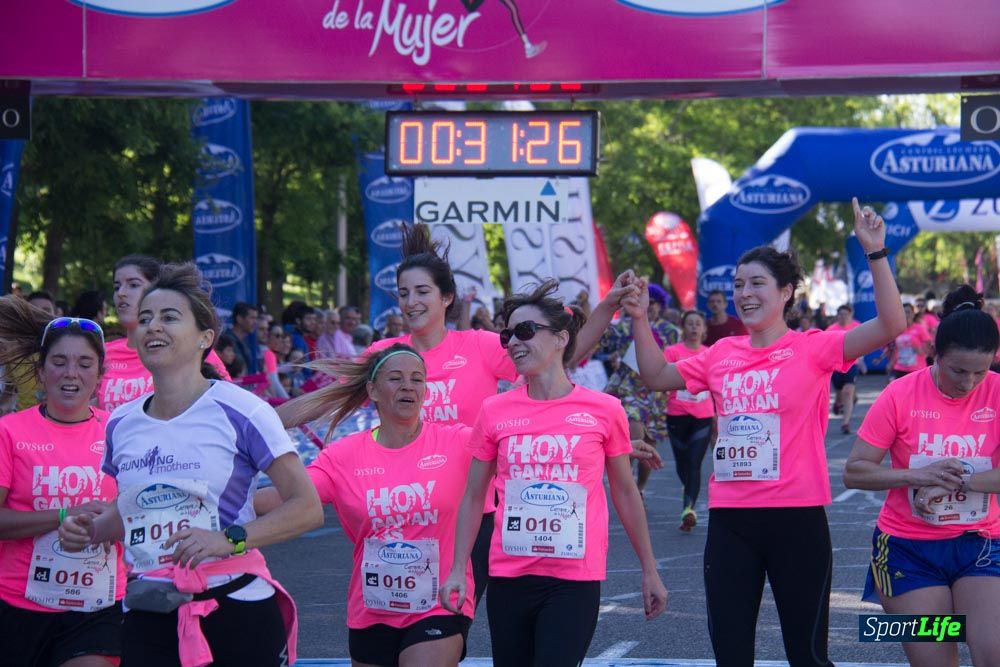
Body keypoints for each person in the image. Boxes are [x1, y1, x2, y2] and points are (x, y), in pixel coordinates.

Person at [280, 224, 650, 611]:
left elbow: (559, 357)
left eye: (422, 292)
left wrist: (606, 308)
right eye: (404, 293)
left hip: (472, 513)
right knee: (412, 624)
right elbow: (328, 399)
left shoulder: (479, 346)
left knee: (450, 622)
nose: (411, 302)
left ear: (447, 298)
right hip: (408, 514)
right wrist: (250, 422)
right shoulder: (386, 353)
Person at [624, 198, 905, 666]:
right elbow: (654, 375)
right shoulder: (720, 354)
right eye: (737, 285)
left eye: (757, 283)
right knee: (732, 654)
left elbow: (891, 325)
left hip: (796, 518)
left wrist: (875, 253)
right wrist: (637, 319)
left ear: (787, 292)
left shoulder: (812, 349)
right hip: (733, 520)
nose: (745, 293)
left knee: (806, 655)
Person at [58, 263, 323, 666]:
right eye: (145, 319)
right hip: (151, 606)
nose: (152, 327)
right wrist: (89, 530)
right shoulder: (121, 422)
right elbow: (129, 513)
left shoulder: (241, 410)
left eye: (168, 317)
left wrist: (227, 539)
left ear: (205, 338)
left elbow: (307, 507)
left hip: (235, 602)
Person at [440, 279, 667, 667]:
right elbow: (475, 496)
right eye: (507, 333)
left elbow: (626, 493)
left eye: (525, 331)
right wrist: (458, 568)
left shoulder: (604, 409)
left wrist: (650, 570)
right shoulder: (494, 410)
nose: (512, 341)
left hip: (573, 580)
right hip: (510, 577)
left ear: (562, 339)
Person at [260, 344, 476, 666]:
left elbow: (510, 448)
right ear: (372, 390)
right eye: (396, 378)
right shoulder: (343, 456)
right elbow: (287, 498)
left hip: (438, 603)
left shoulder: (456, 442)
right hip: (372, 609)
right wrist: (219, 499)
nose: (408, 386)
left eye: (418, 379)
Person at [843, 285, 1000, 667]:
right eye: (958, 370)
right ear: (935, 354)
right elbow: (854, 472)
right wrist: (917, 476)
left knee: (992, 651)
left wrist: (959, 480)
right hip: (907, 552)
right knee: (936, 661)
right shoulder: (900, 394)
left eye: (980, 371)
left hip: (982, 547)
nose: (968, 383)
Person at [0, 299, 126, 666]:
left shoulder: (120, 431)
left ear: (100, 376)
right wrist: (64, 515)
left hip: (98, 606)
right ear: (41, 372)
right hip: (18, 603)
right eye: (59, 362)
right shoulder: (9, 432)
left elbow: (142, 508)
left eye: (85, 364)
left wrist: (112, 521)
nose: (71, 373)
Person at [98, 255, 229, 412]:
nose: (121, 293)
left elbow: (226, 405)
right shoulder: (103, 352)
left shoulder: (193, 347)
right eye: (116, 287)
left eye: (133, 285)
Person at [599, 283, 679, 498]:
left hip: (655, 393)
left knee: (648, 448)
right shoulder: (623, 326)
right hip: (627, 389)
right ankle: (627, 479)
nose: (650, 306)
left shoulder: (670, 332)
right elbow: (601, 337)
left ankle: (640, 487)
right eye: (648, 302)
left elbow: (677, 358)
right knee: (633, 429)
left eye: (654, 303)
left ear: (661, 306)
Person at [663, 310, 714, 532]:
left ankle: (688, 510)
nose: (694, 327)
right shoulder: (672, 352)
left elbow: (717, 386)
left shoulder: (711, 353)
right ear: (683, 328)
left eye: (698, 324)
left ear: (704, 330)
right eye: (690, 324)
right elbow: (662, 381)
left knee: (694, 463)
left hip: (703, 416)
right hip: (676, 414)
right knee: (683, 465)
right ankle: (689, 490)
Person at [827, 304, 862, 434]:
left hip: (852, 364)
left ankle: (845, 423)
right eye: (840, 314)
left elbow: (864, 342)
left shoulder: (857, 326)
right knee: (839, 391)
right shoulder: (831, 329)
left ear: (850, 315)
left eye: (845, 314)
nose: (843, 317)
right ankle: (837, 402)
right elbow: (825, 348)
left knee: (847, 391)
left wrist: (862, 360)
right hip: (836, 365)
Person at [883, 302, 934, 381]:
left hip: (916, 369)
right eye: (903, 313)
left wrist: (919, 350)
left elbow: (929, 348)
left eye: (908, 312)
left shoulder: (919, 328)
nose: (906, 315)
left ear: (913, 314)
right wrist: (891, 363)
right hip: (900, 368)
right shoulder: (898, 330)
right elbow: (896, 349)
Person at [222, 301, 259, 375]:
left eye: (256, 318)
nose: (255, 322)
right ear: (239, 319)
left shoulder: (245, 341)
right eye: (252, 318)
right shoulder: (226, 340)